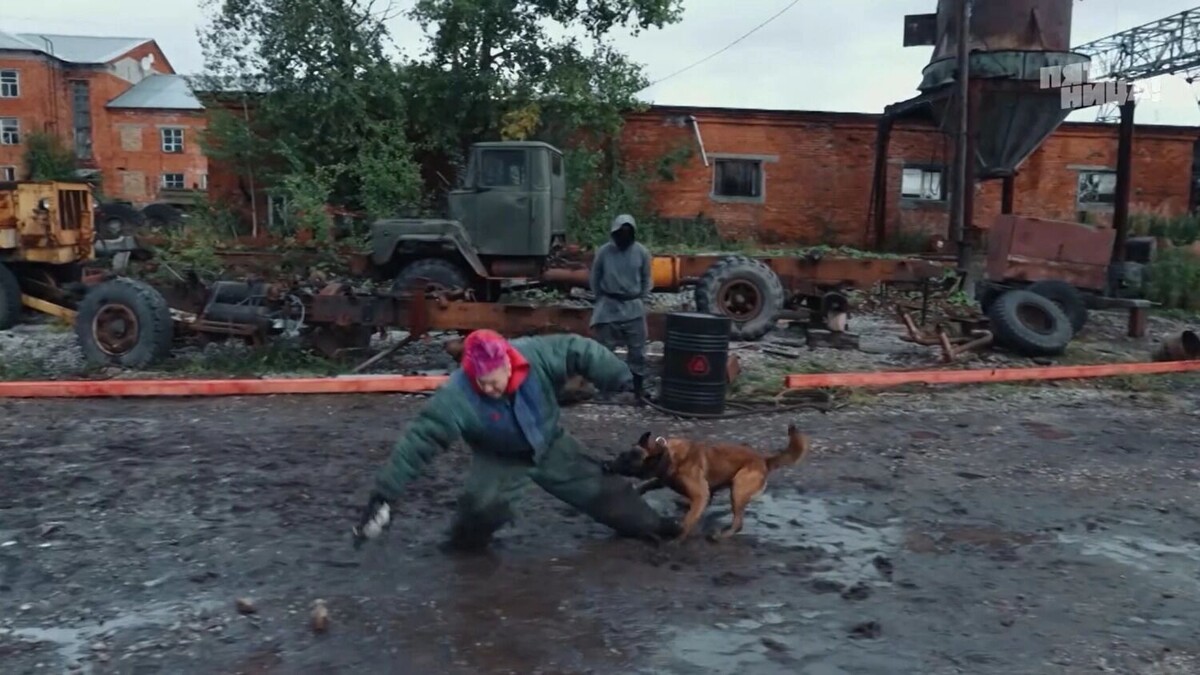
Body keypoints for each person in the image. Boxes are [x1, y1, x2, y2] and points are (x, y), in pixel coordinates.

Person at [353, 329, 680, 552]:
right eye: (483, 383)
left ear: (508, 362)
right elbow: (418, 442)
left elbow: (578, 349)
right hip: (500, 458)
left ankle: (655, 524)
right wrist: (385, 494)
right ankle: (464, 551)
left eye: (495, 382)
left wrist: (619, 376)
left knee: (605, 491)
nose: (490, 389)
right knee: (479, 512)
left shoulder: (535, 355)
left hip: (550, 444)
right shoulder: (457, 396)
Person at [589, 213, 652, 404]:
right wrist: (601, 299)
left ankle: (638, 391)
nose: (623, 236)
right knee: (605, 350)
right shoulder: (604, 252)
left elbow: (646, 279)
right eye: (620, 232)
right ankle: (604, 390)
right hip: (608, 306)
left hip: (633, 306)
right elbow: (595, 278)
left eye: (627, 232)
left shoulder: (641, 252)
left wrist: (641, 298)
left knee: (638, 351)